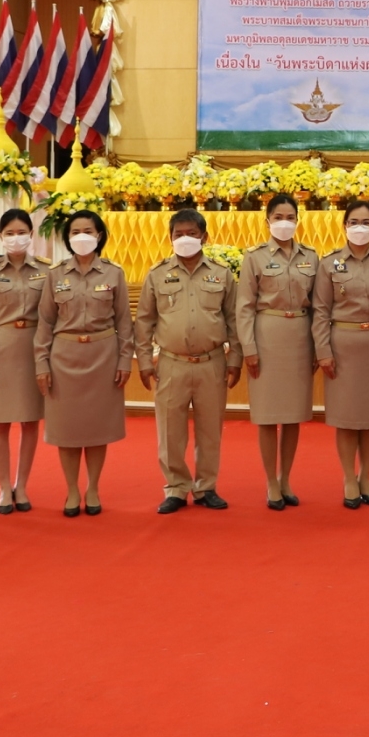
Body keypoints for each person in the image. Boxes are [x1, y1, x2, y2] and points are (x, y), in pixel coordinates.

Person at [136, 209, 240, 515]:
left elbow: (234, 320)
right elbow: (144, 321)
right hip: (171, 363)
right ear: (169, 238)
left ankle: (206, 487)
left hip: (212, 363)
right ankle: (176, 488)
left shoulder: (222, 274)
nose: (185, 239)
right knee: (170, 432)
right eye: (178, 234)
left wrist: (235, 359)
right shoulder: (157, 274)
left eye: (191, 234)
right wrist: (144, 361)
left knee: (210, 431)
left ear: (204, 237)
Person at [35, 210, 133, 517]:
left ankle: (92, 488)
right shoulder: (56, 274)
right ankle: (72, 489)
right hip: (64, 357)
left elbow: (124, 322)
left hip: (103, 356)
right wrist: (41, 363)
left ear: (99, 235)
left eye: (88, 231)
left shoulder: (113, 273)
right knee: (67, 429)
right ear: (67, 238)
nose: (81, 237)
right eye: (75, 232)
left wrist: (125, 360)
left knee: (96, 427)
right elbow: (45, 322)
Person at [313, 200, 369, 508]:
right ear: (344, 226)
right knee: (346, 417)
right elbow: (320, 312)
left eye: (366, 222)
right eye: (354, 222)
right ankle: (348, 478)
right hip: (343, 345)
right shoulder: (329, 263)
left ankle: (365, 475)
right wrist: (323, 351)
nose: (360, 228)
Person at [237, 196, 323, 510]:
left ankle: (285, 478)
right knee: (267, 415)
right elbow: (244, 306)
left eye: (290, 217)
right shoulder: (254, 257)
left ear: (298, 220)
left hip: (300, 336)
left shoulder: (311, 257)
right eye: (278, 217)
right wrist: (249, 348)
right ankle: (270, 482)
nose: (284, 222)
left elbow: (319, 306)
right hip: (267, 336)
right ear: (267, 221)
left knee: (292, 415)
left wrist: (318, 346)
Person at [0, 208, 48, 513]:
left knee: (30, 421)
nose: (16, 238)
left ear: (31, 235)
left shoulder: (46, 270)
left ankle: (22, 485)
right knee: (0, 423)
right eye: (10, 233)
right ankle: (4, 487)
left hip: (34, 349)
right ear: (0, 236)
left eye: (22, 233)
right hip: (1, 348)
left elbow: (51, 316)